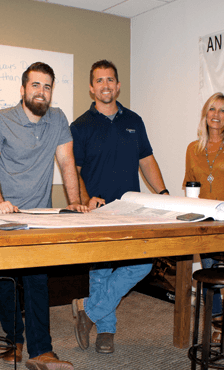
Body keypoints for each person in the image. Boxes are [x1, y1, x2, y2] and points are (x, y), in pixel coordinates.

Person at [0, 62, 85, 370]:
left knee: (37, 278)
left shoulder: (58, 119)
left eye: (47, 86)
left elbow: (67, 163)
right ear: (23, 88)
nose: (41, 92)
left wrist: (75, 202)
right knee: (7, 280)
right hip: (5, 215)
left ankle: (41, 350)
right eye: (35, 85)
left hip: (40, 214)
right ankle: (14, 339)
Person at [70, 60, 169, 354]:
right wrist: (86, 199)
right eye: (99, 80)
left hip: (130, 209)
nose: (105, 85)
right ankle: (106, 332)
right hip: (97, 211)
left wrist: (162, 192)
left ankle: (88, 310)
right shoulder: (80, 126)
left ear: (118, 85)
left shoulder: (134, 121)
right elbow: (73, 171)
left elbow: (147, 160)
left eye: (110, 80)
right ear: (91, 88)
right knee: (100, 271)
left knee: (143, 262)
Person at [183, 92, 224, 338]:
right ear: (205, 114)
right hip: (203, 218)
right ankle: (217, 322)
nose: (216, 115)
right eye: (212, 109)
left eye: (223, 111)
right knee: (210, 269)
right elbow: (191, 186)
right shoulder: (193, 147)